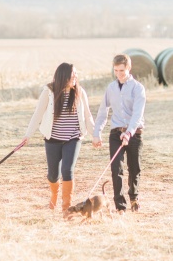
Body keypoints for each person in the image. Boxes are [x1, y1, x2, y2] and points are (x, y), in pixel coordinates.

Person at [22, 62, 95, 216]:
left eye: (76, 74)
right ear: (63, 76)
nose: (75, 77)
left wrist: (95, 135)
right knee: (53, 175)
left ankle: (66, 209)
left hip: (73, 138)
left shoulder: (80, 92)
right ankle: (54, 194)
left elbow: (88, 116)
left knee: (67, 170)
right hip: (53, 139)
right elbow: (37, 115)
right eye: (72, 74)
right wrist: (27, 135)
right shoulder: (49, 93)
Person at [93, 54, 146, 214]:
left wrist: (129, 133)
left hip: (134, 133)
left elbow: (137, 114)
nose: (119, 74)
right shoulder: (111, 88)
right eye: (116, 70)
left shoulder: (138, 88)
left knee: (134, 168)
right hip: (116, 133)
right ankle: (120, 206)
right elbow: (103, 111)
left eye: (122, 70)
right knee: (116, 169)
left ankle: (134, 197)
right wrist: (97, 132)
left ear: (128, 68)